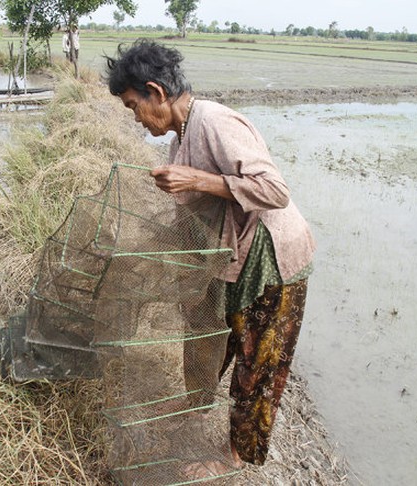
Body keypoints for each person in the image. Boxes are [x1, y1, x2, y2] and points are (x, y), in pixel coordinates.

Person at [105, 39, 316, 480]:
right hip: (228, 251)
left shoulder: (215, 121)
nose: (136, 118)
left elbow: (275, 191)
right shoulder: (179, 138)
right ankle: (195, 401)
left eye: (133, 106)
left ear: (156, 93)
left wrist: (199, 179)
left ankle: (238, 454)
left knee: (258, 359)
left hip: (271, 255)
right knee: (204, 329)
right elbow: (195, 214)